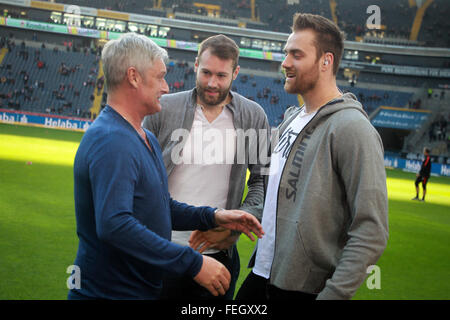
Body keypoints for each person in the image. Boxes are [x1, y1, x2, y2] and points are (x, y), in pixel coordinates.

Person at [68, 32, 264, 300]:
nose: (166, 87)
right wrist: (193, 263)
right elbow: (114, 224)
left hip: (142, 282)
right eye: (160, 77)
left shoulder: (142, 136)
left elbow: (160, 204)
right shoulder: (112, 140)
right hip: (114, 291)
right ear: (134, 77)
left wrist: (214, 216)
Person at [236, 13, 389, 300]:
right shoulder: (291, 118)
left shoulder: (352, 129)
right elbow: (277, 198)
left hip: (304, 289)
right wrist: (238, 221)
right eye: (286, 53)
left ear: (325, 61)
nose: (285, 63)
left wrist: (334, 294)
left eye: (296, 54)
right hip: (262, 274)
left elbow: (371, 229)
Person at [142, 34, 271, 300]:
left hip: (218, 259)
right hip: (161, 253)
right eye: (206, 72)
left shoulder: (253, 115)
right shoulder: (162, 108)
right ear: (196, 64)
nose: (212, 83)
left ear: (235, 73)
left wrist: (236, 222)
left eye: (222, 76)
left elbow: (261, 180)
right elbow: (140, 178)